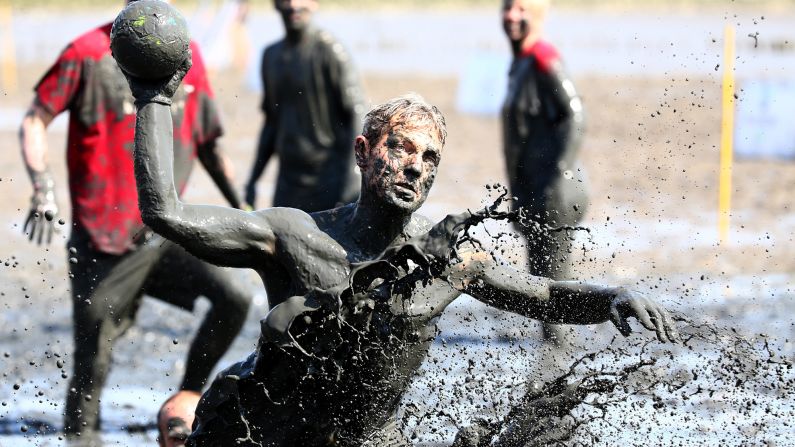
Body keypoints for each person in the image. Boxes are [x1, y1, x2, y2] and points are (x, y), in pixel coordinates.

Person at [124, 47, 678, 443]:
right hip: (270, 431)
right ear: (364, 153)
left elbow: (543, 296)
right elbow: (166, 213)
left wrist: (611, 298)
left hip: (373, 439)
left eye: (430, 157)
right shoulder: (293, 236)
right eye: (403, 148)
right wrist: (154, 97)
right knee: (187, 418)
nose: (416, 164)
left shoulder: (446, 263)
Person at [18, 0, 252, 438]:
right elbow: (34, 119)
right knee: (92, 372)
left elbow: (209, 145)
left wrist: (247, 214)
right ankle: (81, 437)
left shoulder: (188, 55)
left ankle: (185, 404)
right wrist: (41, 188)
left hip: (162, 234)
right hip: (102, 243)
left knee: (234, 299)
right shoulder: (86, 53)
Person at [501, 0, 588, 345]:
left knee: (553, 293)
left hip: (556, 191)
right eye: (507, 8)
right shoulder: (520, 63)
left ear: (539, 13)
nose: (511, 15)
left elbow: (576, 116)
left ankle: (559, 365)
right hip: (534, 190)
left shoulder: (543, 58)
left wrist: (557, 174)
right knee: (539, 286)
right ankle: (548, 361)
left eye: (521, 8)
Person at [243, 0, 365, 212]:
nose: (293, 5)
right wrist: (253, 180)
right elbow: (271, 124)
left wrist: (351, 185)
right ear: (275, 4)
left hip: (329, 180)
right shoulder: (270, 56)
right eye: (285, 0)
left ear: (315, 3)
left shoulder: (331, 51)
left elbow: (357, 115)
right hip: (287, 184)